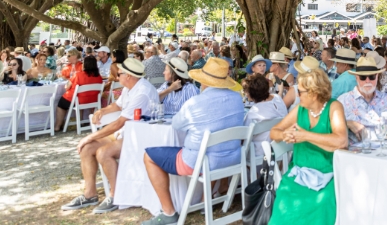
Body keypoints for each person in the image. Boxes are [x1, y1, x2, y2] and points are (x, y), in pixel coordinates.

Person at [141, 58, 245, 225]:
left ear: (203, 81)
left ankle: (168, 212)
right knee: (211, 149)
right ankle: (204, 200)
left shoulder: (196, 103)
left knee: (149, 156)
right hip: (232, 158)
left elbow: (176, 124)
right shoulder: (237, 98)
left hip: (199, 162)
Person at [62, 58, 159, 214]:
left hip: (139, 137)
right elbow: (118, 105)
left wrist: (90, 136)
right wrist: (102, 111)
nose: (116, 75)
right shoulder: (129, 87)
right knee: (86, 149)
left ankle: (116, 194)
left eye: (119, 73)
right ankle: (90, 194)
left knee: (103, 152)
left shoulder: (142, 92)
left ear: (128, 76)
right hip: (126, 133)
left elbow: (119, 123)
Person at [269, 69, 348, 225]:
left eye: (301, 91)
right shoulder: (300, 110)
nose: (297, 94)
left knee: (323, 202)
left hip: (328, 174)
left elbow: (341, 141)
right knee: (284, 197)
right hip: (299, 173)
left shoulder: (334, 107)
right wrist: (284, 135)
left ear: (314, 93)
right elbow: (273, 132)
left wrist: (305, 135)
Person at [337, 55, 387, 142]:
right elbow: (329, 126)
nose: (368, 81)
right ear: (356, 78)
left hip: (386, 150)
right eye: (363, 77)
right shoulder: (343, 101)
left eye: (372, 77)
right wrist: (347, 123)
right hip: (356, 153)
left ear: (377, 77)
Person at [244, 73, 288, 159]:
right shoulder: (278, 98)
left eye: (246, 91)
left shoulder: (254, 112)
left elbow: (244, 135)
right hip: (281, 150)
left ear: (252, 94)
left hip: (259, 154)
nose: (245, 94)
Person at [56, 55, 104, 130]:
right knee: (78, 98)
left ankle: (57, 126)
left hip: (78, 100)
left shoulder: (78, 75)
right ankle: (80, 122)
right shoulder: (99, 77)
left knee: (61, 104)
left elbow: (66, 87)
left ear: (85, 65)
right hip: (93, 100)